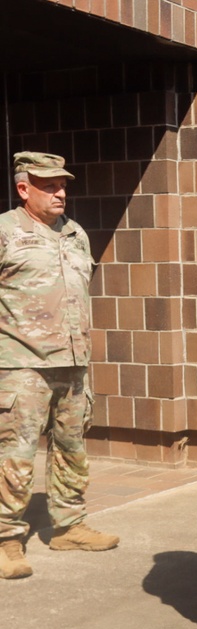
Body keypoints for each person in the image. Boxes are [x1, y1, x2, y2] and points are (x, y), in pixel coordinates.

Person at [0, 152, 119, 581]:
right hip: (20, 366)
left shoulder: (75, 234)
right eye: (49, 185)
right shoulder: (5, 232)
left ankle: (69, 525)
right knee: (14, 455)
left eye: (63, 184)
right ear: (23, 188)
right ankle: (5, 538)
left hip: (73, 363)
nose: (61, 193)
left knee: (72, 448)